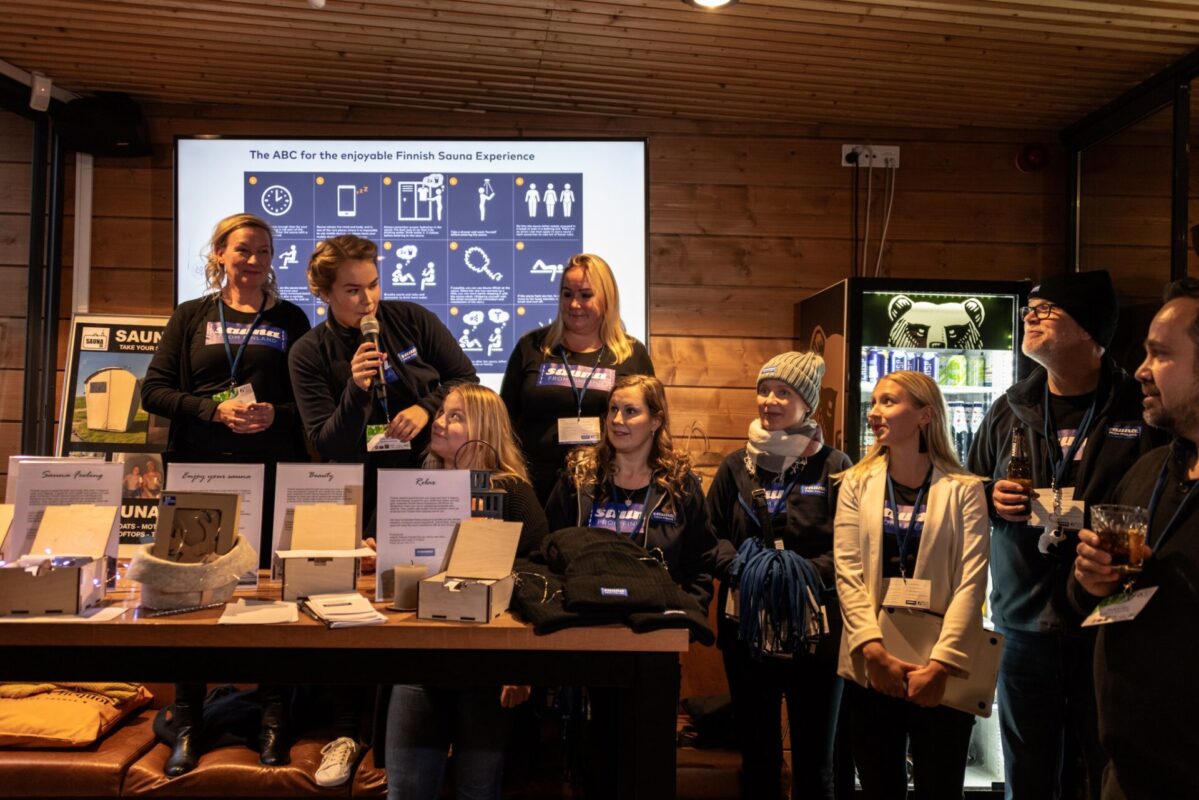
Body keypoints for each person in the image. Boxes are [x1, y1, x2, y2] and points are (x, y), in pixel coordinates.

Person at [967, 270, 1162, 800]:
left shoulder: (1139, 408)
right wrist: (990, 495)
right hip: (1023, 620)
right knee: (1028, 775)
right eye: (1028, 310)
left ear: (1089, 327)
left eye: (1046, 310)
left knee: (1106, 769)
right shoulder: (1010, 407)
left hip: (1108, 625)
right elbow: (967, 485)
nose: (1029, 317)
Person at [140, 212, 311, 777]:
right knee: (191, 596)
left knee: (267, 594)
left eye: (264, 251)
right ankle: (188, 720)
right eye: (243, 250)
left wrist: (274, 413)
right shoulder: (191, 315)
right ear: (219, 254)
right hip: (200, 473)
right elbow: (154, 392)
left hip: (268, 472)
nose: (254, 261)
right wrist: (213, 410)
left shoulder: (290, 319)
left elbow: (309, 401)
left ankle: (272, 718)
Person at [1070, 278, 1199, 799]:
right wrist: (1091, 582)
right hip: (1127, 771)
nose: (1141, 370)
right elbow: (1092, 599)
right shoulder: (1151, 469)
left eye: (1160, 354)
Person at [386, 384, 548, 800]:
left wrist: (522, 665)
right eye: (441, 412)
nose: (439, 422)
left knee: (478, 792)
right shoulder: (416, 486)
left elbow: (536, 581)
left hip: (487, 667)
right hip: (419, 659)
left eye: (455, 416)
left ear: (484, 429)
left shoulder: (513, 494)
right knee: (406, 792)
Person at [835, 370, 990, 799]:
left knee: (940, 790)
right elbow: (847, 572)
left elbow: (971, 582)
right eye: (874, 402)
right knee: (878, 787)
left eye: (889, 402)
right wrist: (872, 650)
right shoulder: (855, 483)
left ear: (925, 415)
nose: (875, 412)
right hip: (873, 665)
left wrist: (941, 665)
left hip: (939, 668)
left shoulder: (965, 490)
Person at [706, 351, 850, 800]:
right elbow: (709, 536)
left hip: (816, 633)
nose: (769, 401)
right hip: (745, 627)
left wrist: (797, 573)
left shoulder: (836, 466)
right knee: (758, 758)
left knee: (815, 764)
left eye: (783, 392)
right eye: (764, 391)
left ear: (807, 403)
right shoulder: (735, 465)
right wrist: (746, 569)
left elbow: (852, 548)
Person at [288, 234, 478, 532]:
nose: (368, 300)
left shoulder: (412, 319)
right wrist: (356, 388)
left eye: (373, 285)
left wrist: (426, 408)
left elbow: (465, 379)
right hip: (357, 486)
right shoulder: (308, 352)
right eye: (353, 290)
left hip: (425, 471)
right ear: (325, 293)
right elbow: (329, 443)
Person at [545, 373, 715, 611]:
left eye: (630, 411)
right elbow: (549, 549)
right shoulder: (579, 476)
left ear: (655, 421)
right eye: (613, 409)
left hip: (656, 620)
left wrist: (686, 614)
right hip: (585, 616)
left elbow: (701, 564)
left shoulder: (680, 485)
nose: (617, 420)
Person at [501, 253, 654, 503]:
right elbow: (504, 418)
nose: (574, 304)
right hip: (532, 483)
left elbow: (649, 424)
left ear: (606, 299)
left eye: (585, 295)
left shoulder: (631, 354)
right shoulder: (532, 347)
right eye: (567, 294)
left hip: (605, 486)